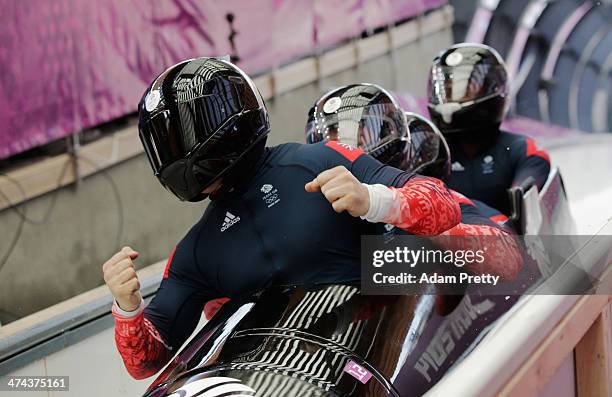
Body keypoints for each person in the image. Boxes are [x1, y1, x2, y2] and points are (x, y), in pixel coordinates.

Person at [102, 58, 461, 379]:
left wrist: (373, 200)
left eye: (177, 137)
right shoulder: (196, 251)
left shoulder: (321, 161)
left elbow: (444, 205)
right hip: (270, 377)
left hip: (367, 355)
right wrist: (127, 307)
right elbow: (146, 362)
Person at [306, 85, 522, 281]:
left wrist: (426, 228)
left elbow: (508, 260)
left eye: (354, 142)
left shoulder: (430, 201)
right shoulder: (309, 213)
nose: (343, 153)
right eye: (332, 144)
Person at [427, 43, 551, 216]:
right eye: (447, 91)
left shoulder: (524, 151)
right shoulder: (429, 157)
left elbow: (525, 209)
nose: (452, 99)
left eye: (466, 91)